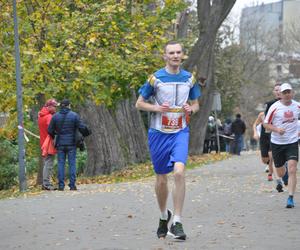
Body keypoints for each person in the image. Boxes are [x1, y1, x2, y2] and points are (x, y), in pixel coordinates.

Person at [135, 41, 201, 240]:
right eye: (171, 53)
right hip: (158, 133)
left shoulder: (190, 79)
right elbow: (139, 103)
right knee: (161, 179)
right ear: (165, 56)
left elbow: (196, 104)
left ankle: (178, 222)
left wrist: (191, 109)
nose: (175, 55)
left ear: (183, 55)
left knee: (179, 173)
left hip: (180, 132)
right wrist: (157, 109)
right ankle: (164, 215)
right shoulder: (155, 79)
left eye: (178, 52)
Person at [264, 83, 300, 208]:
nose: (287, 94)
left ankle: (290, 198)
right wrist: (277, 129)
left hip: (292, 142)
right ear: (281, 94)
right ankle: (282, 175)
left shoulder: (297, 106)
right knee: (280, 172)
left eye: (289, 92)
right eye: (284, 92)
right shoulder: (275, 107)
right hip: (277, 143)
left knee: (292, 169)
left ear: (292, 93)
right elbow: (266, 124)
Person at [48, 99, 88, 191]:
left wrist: (55, 134)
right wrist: (86, 133)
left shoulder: (55, 117)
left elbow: (49, 130)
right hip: (71, 144)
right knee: (72, 163)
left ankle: (61, 186)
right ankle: (72, 185)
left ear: (61, 106)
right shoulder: (74, 115)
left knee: (61, 164)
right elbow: (82, 127)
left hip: (60, 144)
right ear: (68, 105)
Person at [38, 99, 58, 190]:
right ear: (49, 106)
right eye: (54, 107)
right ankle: (46, 184)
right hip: (49, 143)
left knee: (47, 162)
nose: (55, 109)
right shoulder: (49, 117)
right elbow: (52, 130)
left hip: (43, 142)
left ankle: (46, 183)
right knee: (49, 163)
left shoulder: (41, 115)